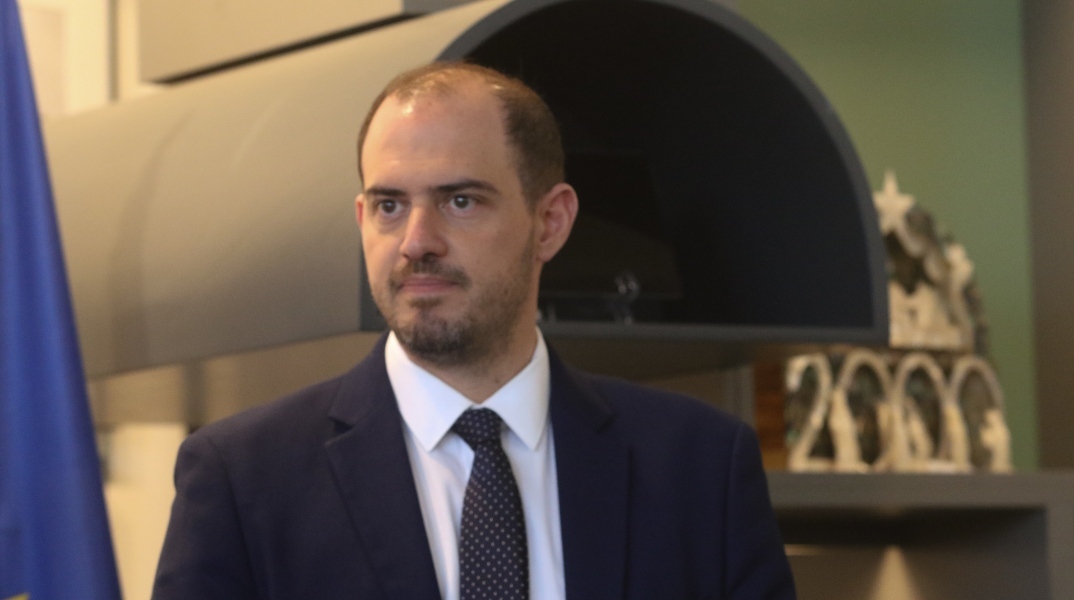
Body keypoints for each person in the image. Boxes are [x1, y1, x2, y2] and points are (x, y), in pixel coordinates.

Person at [152, 61, 796, 600]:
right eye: (389, 205)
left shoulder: (699, 468)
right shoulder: (244, 479)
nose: (417, 242)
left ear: (550, 223)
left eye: (460, 201)